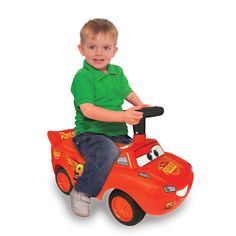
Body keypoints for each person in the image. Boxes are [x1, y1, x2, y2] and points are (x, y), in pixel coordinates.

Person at [70, 18, 147, 217]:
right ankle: (82, 191)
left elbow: (126, 91)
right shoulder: (83, 77)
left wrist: (139, 105)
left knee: (139, 152)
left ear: (114, 51)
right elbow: (88, 110)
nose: (98, 53)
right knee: (107, 151)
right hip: (91, 134)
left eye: (105, 47)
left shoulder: (117, 72)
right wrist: (123, 116)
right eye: (92, 47)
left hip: (118, 133)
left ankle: (138, 190)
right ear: (81, 49)